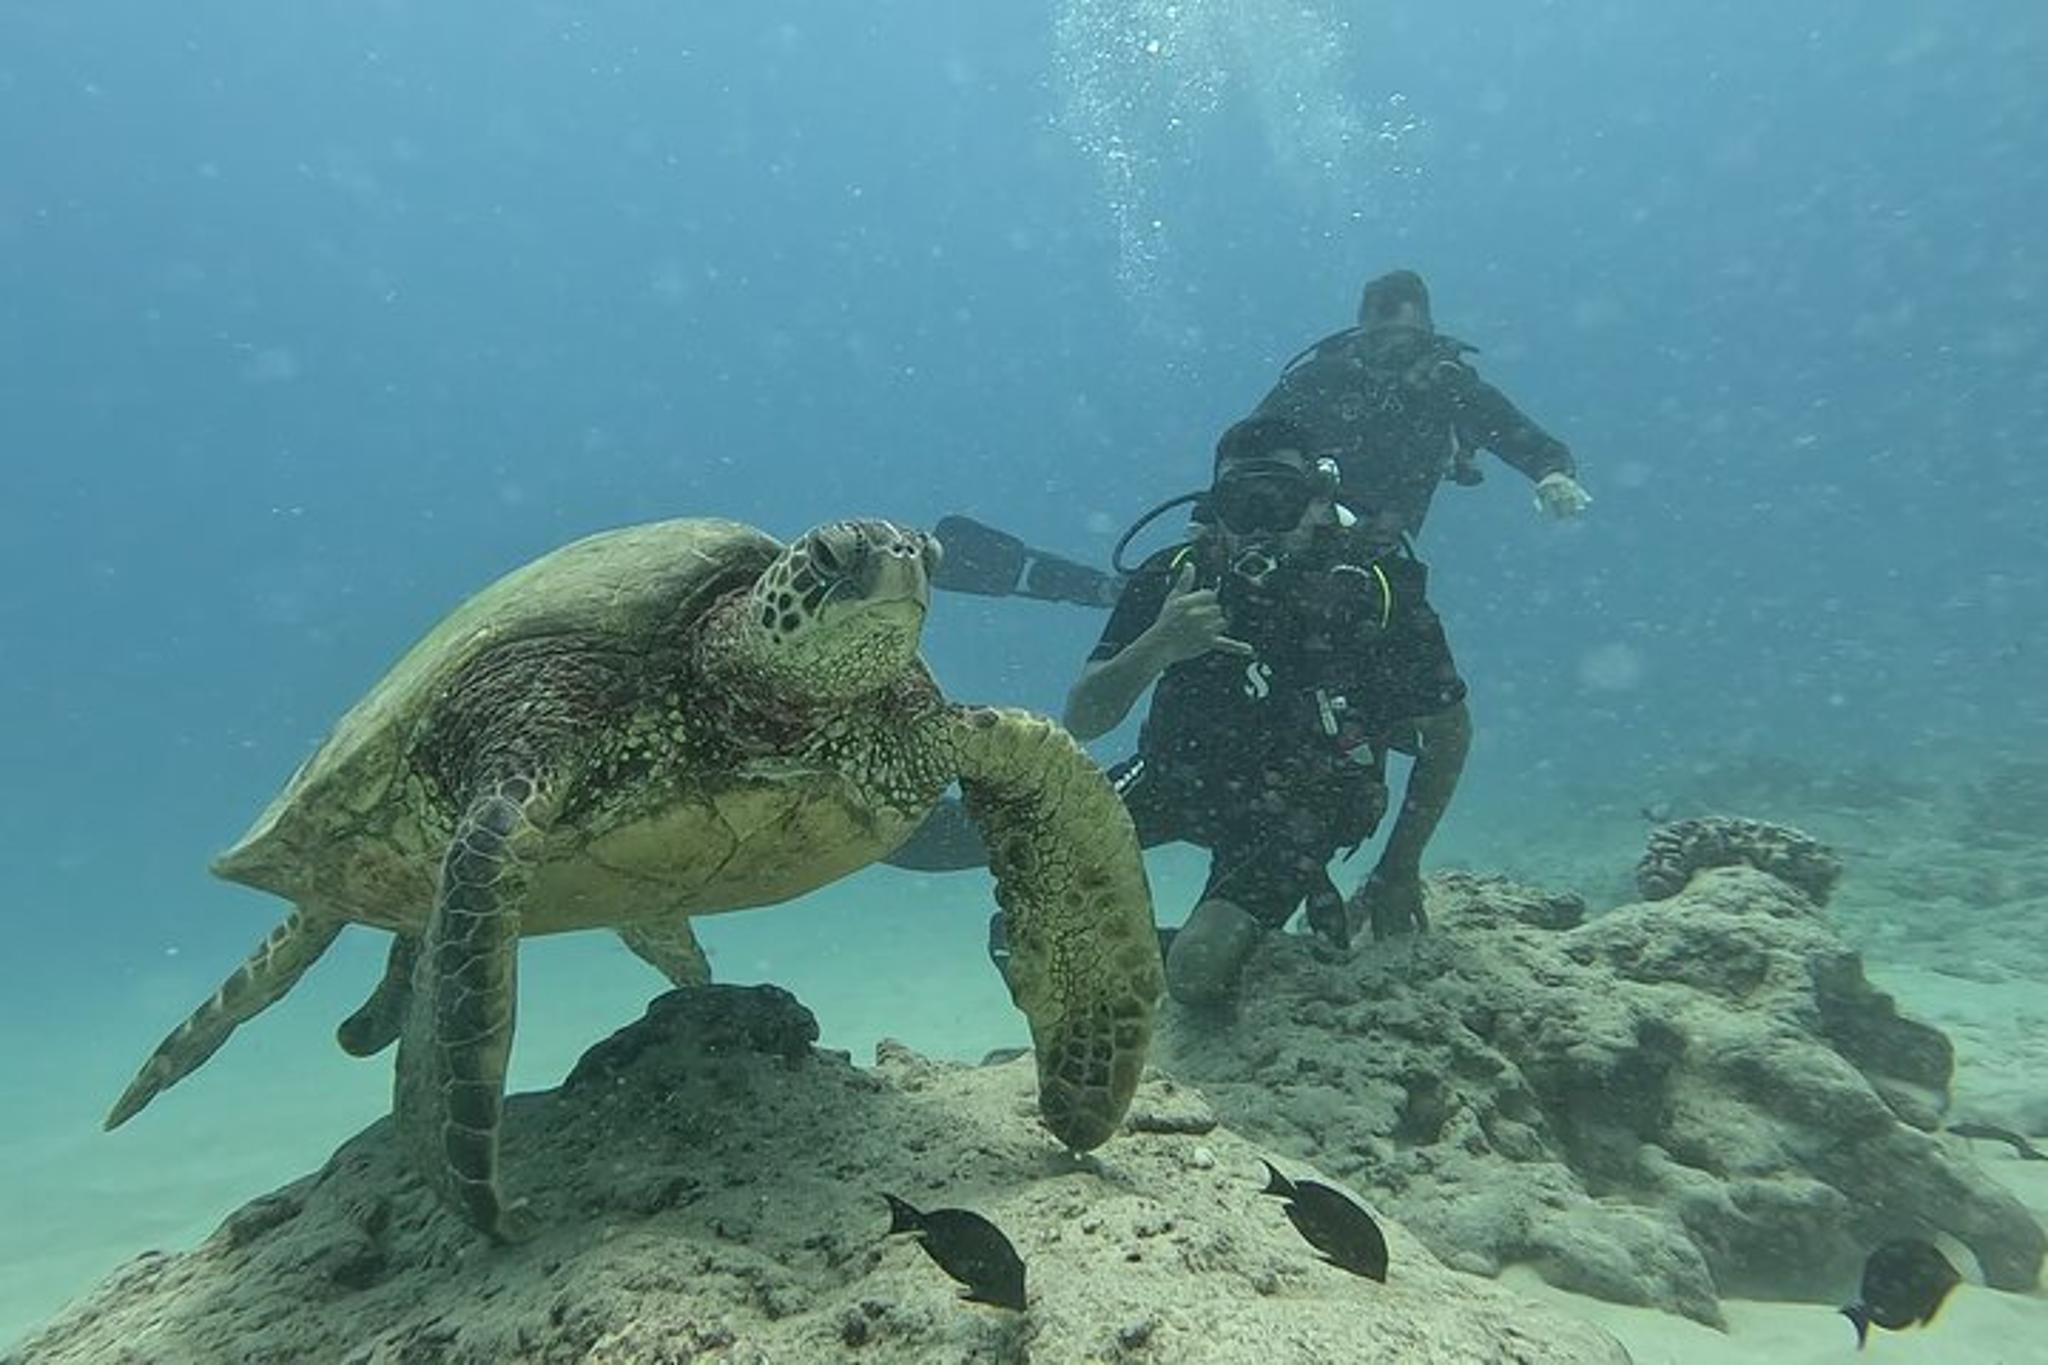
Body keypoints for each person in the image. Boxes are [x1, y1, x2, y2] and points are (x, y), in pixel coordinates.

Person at [893, 415, 1471, 1008]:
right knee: (934, 844)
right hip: (1181, 775)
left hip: (1305, 807)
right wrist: (1158, 644)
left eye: (1282, 497)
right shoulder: (1174, 576)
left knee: (1199, 971)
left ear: (1320, 500)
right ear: (1214, 507)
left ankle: (1130, 955)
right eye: (1242, 501)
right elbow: (1087, 717)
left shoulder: (1377, 589)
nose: (1260, 520)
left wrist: (1398, 867)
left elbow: (1449, 734)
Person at [1255, 269, 1592, 551]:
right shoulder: (1319, 380)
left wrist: (1553, 473)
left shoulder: (1446, 386)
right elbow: (1247, 444)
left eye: (1406, 346)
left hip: (1381, 547)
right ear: (1361, 334)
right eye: (1379, 343)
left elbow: (1515, 433)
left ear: (1429, 334)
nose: (1391, 359)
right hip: (1292, 534)